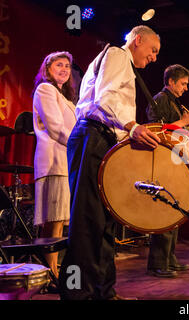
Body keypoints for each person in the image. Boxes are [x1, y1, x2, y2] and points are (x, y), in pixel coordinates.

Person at [58, 25, 161, 300]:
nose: (153, 58)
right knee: (87, 222)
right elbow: (106, 99)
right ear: (138, 40)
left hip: (104, 141)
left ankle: (105, 292)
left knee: (105, 223)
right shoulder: (117, 54)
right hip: (92, 137)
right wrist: (133, 126)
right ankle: (78, 294)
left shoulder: (126, 65)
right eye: (153, 50)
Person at [146, 64, 189, 278]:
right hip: (163, 160)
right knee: (164, 211)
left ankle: (169, 258)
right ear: (171, 82)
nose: (185, 88)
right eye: (182, 84)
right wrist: (183, 121)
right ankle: (158, 262)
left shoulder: (175, 101)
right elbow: (156, 129)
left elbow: (184, 128)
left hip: (175, 159)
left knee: (174, 209)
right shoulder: (160, 99)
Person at [32, 51, 77, 279]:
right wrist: (77, 147)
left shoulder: (67, 99)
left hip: (63, 161)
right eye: (59, 65)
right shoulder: (46, 89)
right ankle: (51, 275)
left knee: (57, 222)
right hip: (53, 161)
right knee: (54, 222)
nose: (64, 69)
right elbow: (55, 126)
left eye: (67, 66)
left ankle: (49, 272)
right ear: (47, 69)